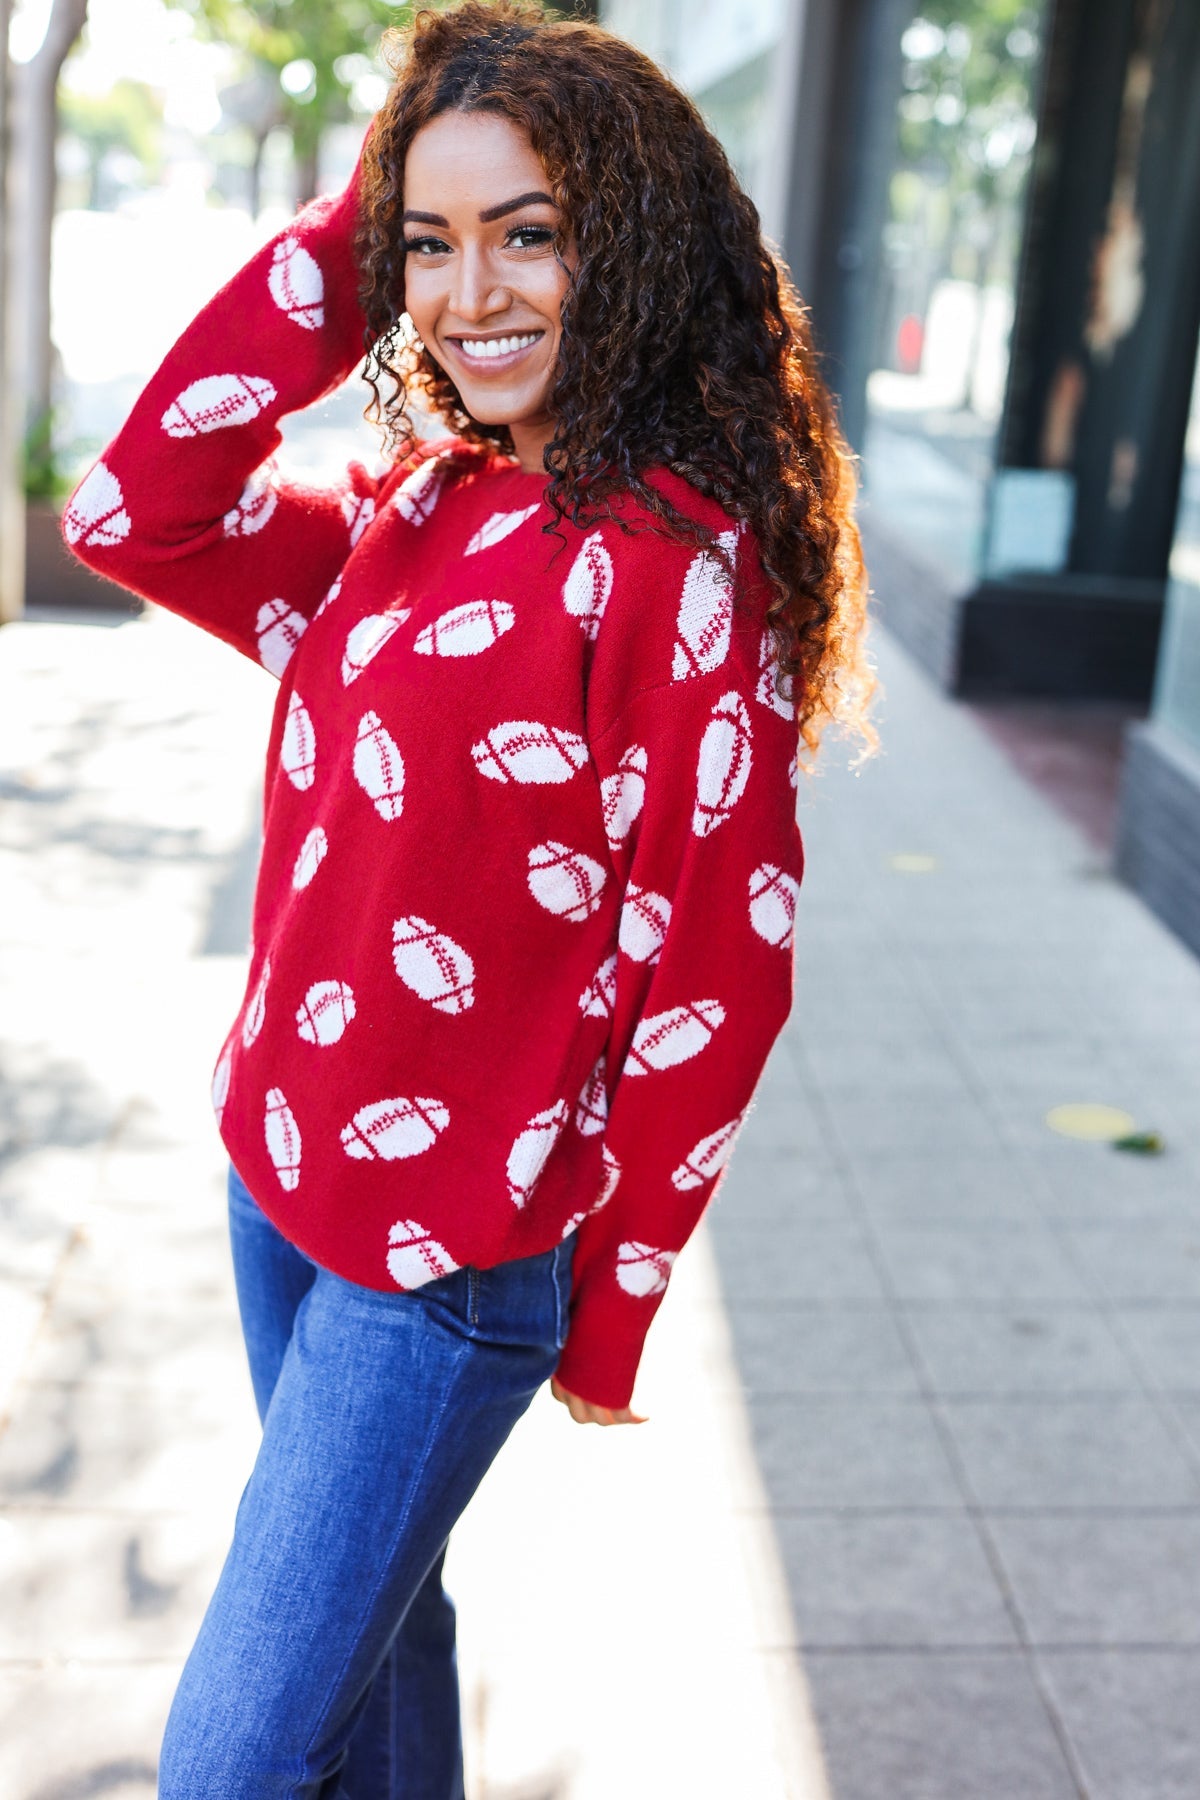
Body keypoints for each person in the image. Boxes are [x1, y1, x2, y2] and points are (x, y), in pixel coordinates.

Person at [62, 3, 876, 1794]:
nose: (470, 291)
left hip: (442, 1262)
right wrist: (362, 230)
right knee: (380, 1652)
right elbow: (137, 510)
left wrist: (619, 1297)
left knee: (230, 1760)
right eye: (431, 245)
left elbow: (720, 970)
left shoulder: (674, 569)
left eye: (529, 232)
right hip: (279, 1173)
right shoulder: (419, 505)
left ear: (629, 243)